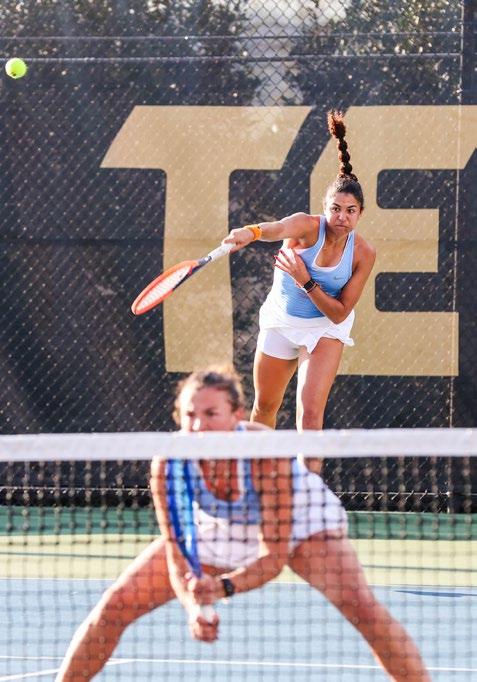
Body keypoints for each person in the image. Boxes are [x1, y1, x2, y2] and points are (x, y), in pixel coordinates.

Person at [55, 366, 430, 681]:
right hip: (220, 526)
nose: (198, 426)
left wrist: (222, 588)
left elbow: (273, 558)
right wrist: (193, 605)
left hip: (302, 522)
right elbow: (177, 553)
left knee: (362, 608)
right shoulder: (168, 464)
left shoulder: (264, 454)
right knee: (116, 605)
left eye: (211, 414)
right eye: (190, 415)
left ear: (236, 415)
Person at [223, 110, 375, 472]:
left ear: (360, 214)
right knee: (265, 407)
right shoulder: (306, 226)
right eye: (335, 209)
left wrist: (305, 280)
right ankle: (256, 483)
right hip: (280, 322)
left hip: (324, 330)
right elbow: (274, 228)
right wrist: (248, 233)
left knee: (309, 414)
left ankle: (310, 494)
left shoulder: (363, 253)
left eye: (350, 211)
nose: (342, 217)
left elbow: (339, 312)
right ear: (325, 209)